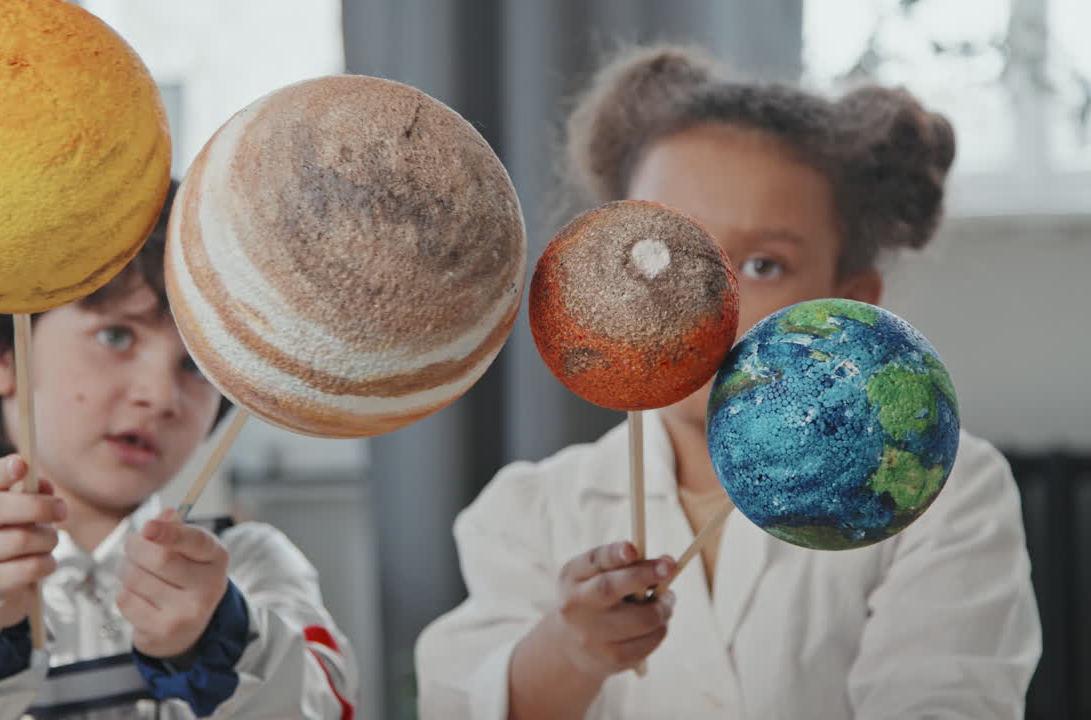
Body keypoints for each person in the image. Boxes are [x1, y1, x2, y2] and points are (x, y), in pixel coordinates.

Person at [416, 44, 1040, 719]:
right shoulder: (529, 512)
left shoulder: (936, 492)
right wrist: (570, 654)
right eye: (664, 251)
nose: (699, 299)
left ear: (851, 304)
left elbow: (946, 699)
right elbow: (464, 701)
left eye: (763, 265)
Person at [0, 181, 359, 719]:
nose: (161, 395)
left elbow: (326, 704)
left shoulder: (247, 567)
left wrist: (218, 639)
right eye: (117, 336)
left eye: (196, 364)